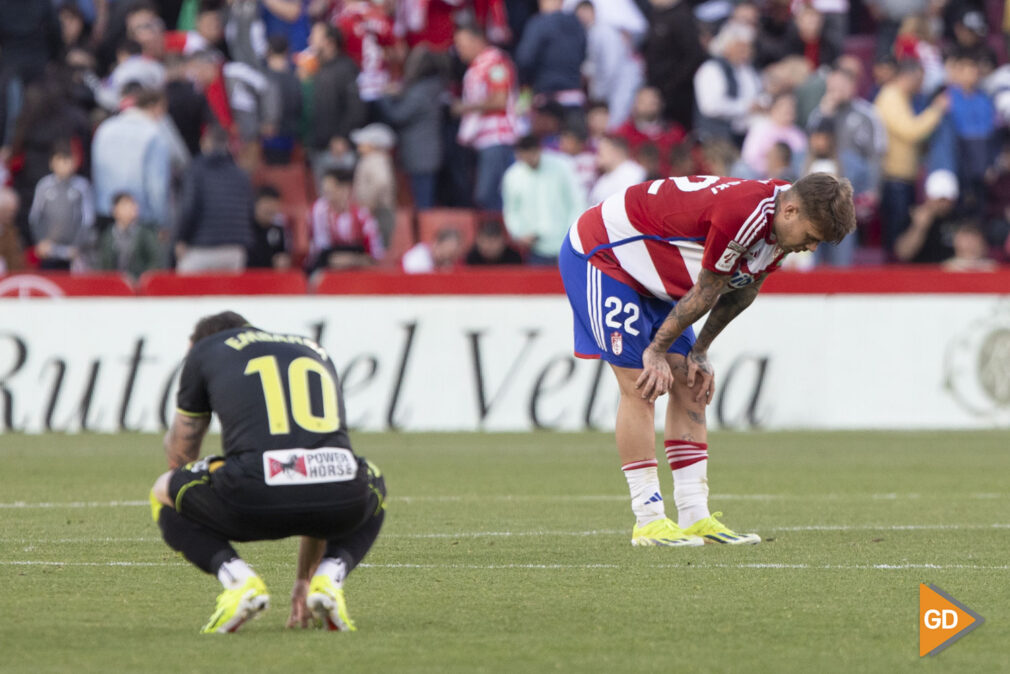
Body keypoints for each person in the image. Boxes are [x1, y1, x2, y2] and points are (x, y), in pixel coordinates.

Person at [558, 173, 855, 546]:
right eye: (811, 237)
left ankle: (695, 515)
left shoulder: (782, 221)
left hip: (652, 274)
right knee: (642, 383)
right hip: (603, 256)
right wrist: (656, 351)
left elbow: (743, 291)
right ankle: (648, 519)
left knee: (692, 383)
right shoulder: (744, 214)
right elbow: (710, 288)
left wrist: (700, 351)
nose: (811, 248)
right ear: (791, 210)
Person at [149, 311, 386, 633]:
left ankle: (238, 582)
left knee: (163, 490)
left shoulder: (206, 349)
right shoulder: (312, 347)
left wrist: (188, 488)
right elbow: (310, 469)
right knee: (364, 477)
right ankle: (327, 581)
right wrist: (302, 580)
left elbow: (183, 448)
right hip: (340, 500)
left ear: (202, 340)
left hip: (252, 497)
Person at [874, 59, 948, 260]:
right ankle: (891, 278)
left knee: (900, 231)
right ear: (909, 76)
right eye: (919, 80)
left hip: (903, 178)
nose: (921, 86)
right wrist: (937, 110)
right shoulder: (891, 96)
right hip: (894, 178)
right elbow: (910, 131)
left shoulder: (902, 97)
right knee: (896, 236)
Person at [453, 22, 518, 211]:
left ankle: (502, 236)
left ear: (478, 40)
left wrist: (465, 107)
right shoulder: (476, 66)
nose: (459, 50)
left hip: (497, 138)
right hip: (482, 139)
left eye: (462, 44)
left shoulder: (495, 62)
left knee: (489, 194)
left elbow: (500, 99)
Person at [174, 127, 254, 273]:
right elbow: (250, 211)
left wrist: (181, 239)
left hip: (202, 247)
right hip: (235, 249)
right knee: (228, 295)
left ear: (205, 143)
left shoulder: (195, 170)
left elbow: (189, 208)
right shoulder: (241, 174)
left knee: (184, 291)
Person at [501, 134, 585, 265]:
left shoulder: (563, 166)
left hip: (566, 244)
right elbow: (511, 210)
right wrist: (519, 233)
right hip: (535, 248)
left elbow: (577, 202)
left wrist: (572, 237)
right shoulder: (513, 176)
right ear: (519, 155)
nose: (529, 160)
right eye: (525, 157)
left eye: (532, 156)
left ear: (539, 150)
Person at [28, 143, 95, 271]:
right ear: (52, 163)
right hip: (48, 249)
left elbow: (88, 220)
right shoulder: (44, 186)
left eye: (68, 160)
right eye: (60, 160)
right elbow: (35, 217)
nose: (64, 165)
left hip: (73, 252)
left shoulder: (82, 187)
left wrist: (77, 245)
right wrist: (41, 241)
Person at [309, 168, 384, 271]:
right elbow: (320, 248)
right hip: (326, 265)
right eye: (325, 192)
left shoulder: (363, 216)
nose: (327, 197)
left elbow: (375, 254)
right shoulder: (320, 210)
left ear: (345, 189)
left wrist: (352, 260)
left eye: (330, 192)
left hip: (358, 267)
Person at [96, 192, 162, 279]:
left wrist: (142, 278)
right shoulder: (107, 236)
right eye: (125, 205)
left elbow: (156, 261)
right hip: (114, 286)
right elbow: (102, 265)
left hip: (140, 286)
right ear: (114, 210)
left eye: (133, 204)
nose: (132, 208)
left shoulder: (146, 234)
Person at [589, 135, 646, 205]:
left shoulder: (633, 172)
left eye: (601, 152)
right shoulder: (604, 178)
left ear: (615, 152)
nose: (597, 156)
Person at [247, 186, 291, 270]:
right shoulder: (246, 228)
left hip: (271, 277)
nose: (270, 209)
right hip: (248, 276)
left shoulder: (278, 230)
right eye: (266, 204)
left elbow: (282, 253)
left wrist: (283, 260)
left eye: (274, 204)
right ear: (255, 204)